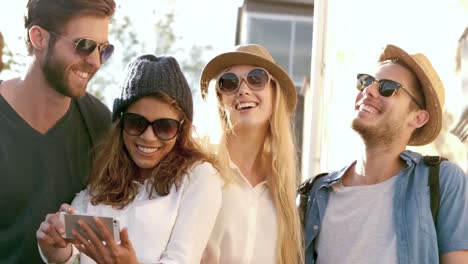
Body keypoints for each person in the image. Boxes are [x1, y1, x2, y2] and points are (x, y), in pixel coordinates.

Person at [37, 54, 223, 263]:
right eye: (136, 123)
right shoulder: (102, 178)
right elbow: (74, 257)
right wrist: (56, 250)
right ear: (120, 124)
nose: (148, 137)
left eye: (165, 127)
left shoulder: (200, 177)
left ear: (182, 130)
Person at [302, 44, 468, 264]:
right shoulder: (315, 193)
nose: (368, 90)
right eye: (366, 81)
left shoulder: (443, 181)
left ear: (418, 118)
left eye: (388, 87)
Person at [0, 0, 115, 262]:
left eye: (103, 50)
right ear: (38, 37)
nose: (95, 62)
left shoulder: (100, 125)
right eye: (84, 46)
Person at [199, 44, 303, 264]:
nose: (243, 90)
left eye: (256, 78)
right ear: (219, 99)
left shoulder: (284, 193)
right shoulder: (198, 172)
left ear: (275, 94)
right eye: (229, 83)